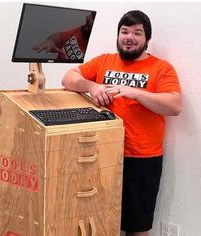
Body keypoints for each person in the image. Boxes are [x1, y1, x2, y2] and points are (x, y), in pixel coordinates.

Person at [61, 10, 182, 236]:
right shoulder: (104, 61)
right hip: (101, 155)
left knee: (137, 227)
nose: (129, 37)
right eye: (124, 31)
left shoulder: (161, 68)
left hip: (142, 159)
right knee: (98, 222)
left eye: (137, 33)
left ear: (147, 40)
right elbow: (68, 78)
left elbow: (174, 105)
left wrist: (134, 93)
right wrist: (93, 87)